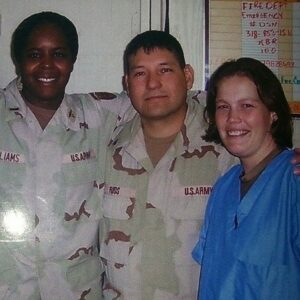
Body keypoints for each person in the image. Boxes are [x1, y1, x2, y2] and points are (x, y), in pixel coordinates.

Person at [0, 11, 130, 299]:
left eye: (59, 53)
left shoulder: (99, 114)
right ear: (18, 61)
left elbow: (158, 98)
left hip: (76, 291)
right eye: (34, 54)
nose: (47, 65)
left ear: (72, 61)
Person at [99, 30, 235, 300]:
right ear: (126, 83)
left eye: (164, 70)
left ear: (187, 76)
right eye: (140, 74)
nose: (152, 84)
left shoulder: (227, 145)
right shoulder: (107, 142)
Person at [192, 57, 300, 299]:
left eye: (247, 106)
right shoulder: (224, 187)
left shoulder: (293, 180)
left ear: (272, 113)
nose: (233, 118)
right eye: (223, 106)